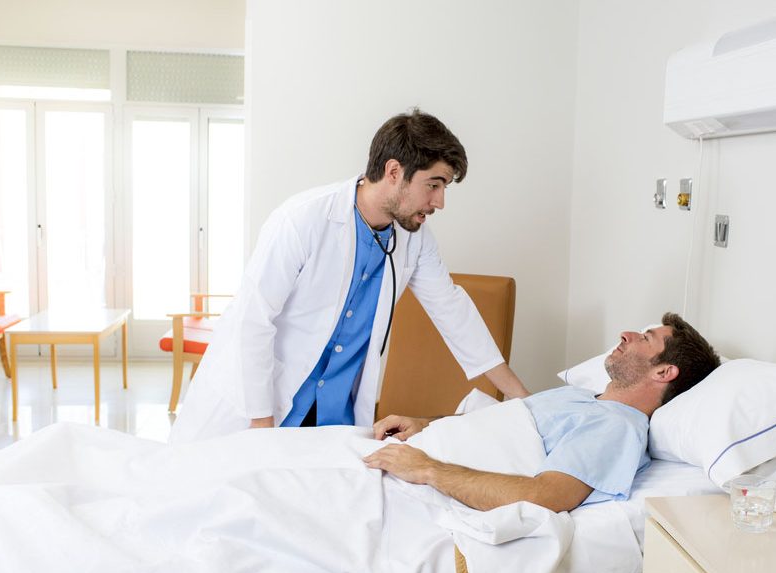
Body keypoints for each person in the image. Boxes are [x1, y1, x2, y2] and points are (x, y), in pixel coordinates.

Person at [170, 109, 528, 444]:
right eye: (433, 185)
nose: (440, 201)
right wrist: (261, 427)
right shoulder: (302, 219)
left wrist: (523, 400)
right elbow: (253, 320)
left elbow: (453, 313)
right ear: (394, 171)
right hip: (258, 410)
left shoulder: (415, 240)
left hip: (332, 421)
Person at [363, 312, 720, 513]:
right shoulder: (581, 397)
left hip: (414, 484)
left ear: (664, 372)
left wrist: (427, 469)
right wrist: (426, 423)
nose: (627, 334)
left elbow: (544, 496)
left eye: (645, 338)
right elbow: (501, 426)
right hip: (408, 453)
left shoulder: (616, 426)